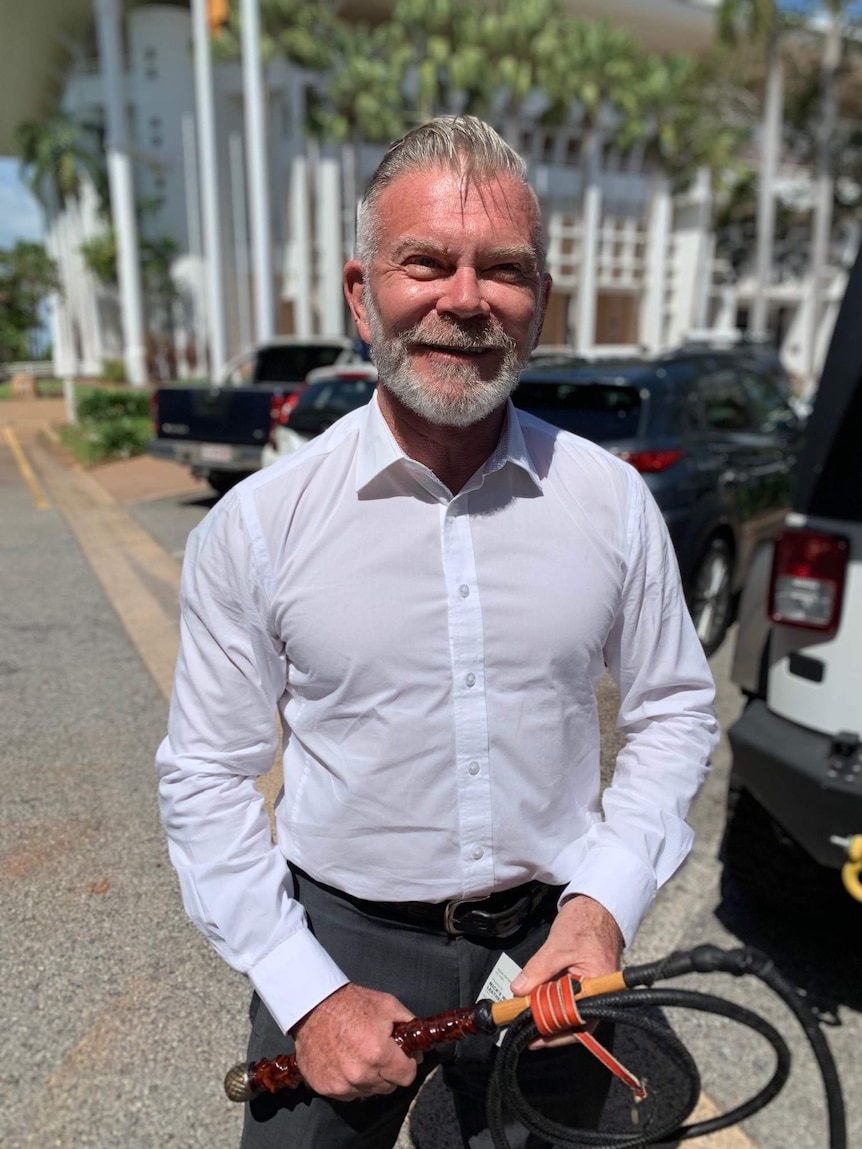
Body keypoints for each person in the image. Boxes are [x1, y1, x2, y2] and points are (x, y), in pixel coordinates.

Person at [156, 116, 718, 1148]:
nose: (465, 299)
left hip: (555, 939)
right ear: (362, 292)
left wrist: (602, 906)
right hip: (340, 943)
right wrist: (306, 994)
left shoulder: (606, 501)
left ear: (538, 305)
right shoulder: (262, 525)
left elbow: (675, 708)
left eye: (503, 270)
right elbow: (204, 776)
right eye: (426, 262)